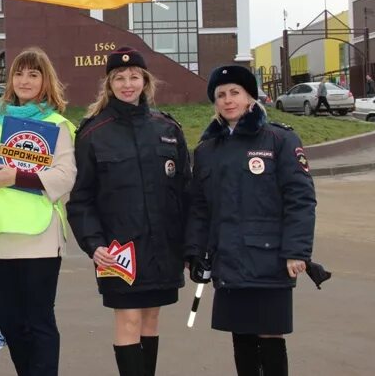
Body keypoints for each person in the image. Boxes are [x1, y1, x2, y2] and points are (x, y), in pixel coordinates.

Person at [185, 65, 316, 376]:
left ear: (249, 98)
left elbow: (301, 198)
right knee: (241, 335)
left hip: (270, 258)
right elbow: (200, 208)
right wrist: (194, 254)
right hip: (228, 258)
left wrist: (297, 250)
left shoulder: (279, 140)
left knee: (270, 335)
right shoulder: (206, 151)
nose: (228, 100)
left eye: (235, 93)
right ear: (214, 103)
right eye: (221, 95)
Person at [67, 47, 190, 376]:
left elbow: (184, 191)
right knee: (129, 318)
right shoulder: (93, 133)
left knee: (150, 318)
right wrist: (95, 245)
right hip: (117, 250)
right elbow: (81, 199)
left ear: (145, 80)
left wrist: (191, 244)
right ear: (109, 84)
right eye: (119, 78)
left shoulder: (167, 129)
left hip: (163, 246)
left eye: (134, 77)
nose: (127, 84)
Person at [0, 47, 77, 376]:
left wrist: (18, 177)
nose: (24, 80)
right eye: (19, 73)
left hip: (37, 238)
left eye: (33, 74)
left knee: (38, 321)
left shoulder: (57, 124)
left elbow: (66, 177)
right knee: (10, 322)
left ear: (45, 80)